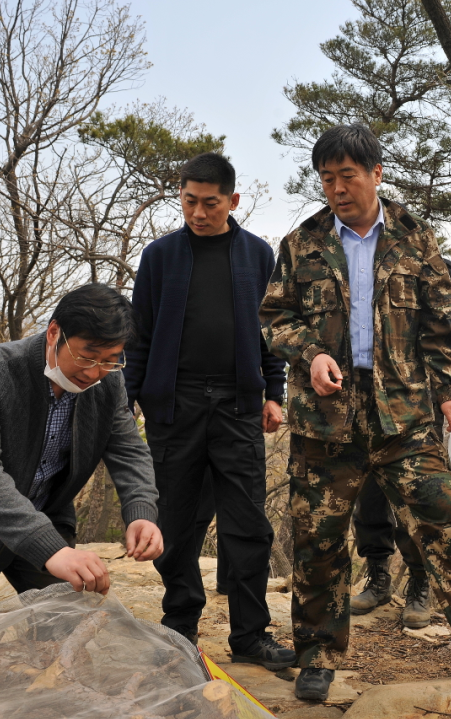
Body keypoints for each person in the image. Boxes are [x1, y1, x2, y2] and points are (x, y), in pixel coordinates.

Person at [260, 124, 451, 702]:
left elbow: (442, 327)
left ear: (376, 174)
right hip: (325, 417)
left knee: (447, 525)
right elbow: (274, 318)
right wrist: (313, 353)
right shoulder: (301, 243)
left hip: (403, 414)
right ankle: (317, 655)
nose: (337, 189)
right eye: (327, 178)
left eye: (347, 176)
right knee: (318, 540)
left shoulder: (415, 238)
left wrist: (450, 391)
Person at [124, 152, 295, 671]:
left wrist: (273, 393)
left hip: (237, 405)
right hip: (173, 406)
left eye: (210, 203)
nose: (198, 213)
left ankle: (250, 636)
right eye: (189, 201)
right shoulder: (160, 256)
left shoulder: (256, 255)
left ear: (232, 201)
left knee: (248, 526)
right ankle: (179, 625)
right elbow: (139, 336)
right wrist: (126, 400)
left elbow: (271, 333)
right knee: (175, 523)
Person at [0, 283, 164, 617]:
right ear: (54, 332)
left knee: (64, 620)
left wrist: (141, 511)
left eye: (109, 360)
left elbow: (128, 449)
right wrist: (51, 550)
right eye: (86, 356)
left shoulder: (107, 382)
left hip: (46, 513)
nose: (94, 373)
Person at [350, 257, 451, 630]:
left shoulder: (432, 264)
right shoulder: (351, 261)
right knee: (369, 494)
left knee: (419, 497)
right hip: (361, 399)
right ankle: (378, 577)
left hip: (418, 400)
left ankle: (419, 583)